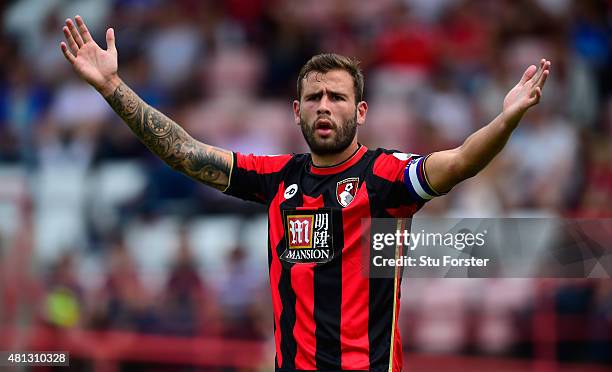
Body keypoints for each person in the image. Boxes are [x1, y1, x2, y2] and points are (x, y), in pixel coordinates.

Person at [60, 15, 550, 372]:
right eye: (314, 97)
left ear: (360, 112)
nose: (324, 106)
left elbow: (460, 161)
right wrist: (112, 87)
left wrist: (506, 120)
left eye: (337, 97)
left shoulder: (385, 177)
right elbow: (185, 152)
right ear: (296, 111)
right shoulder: (277, 179)